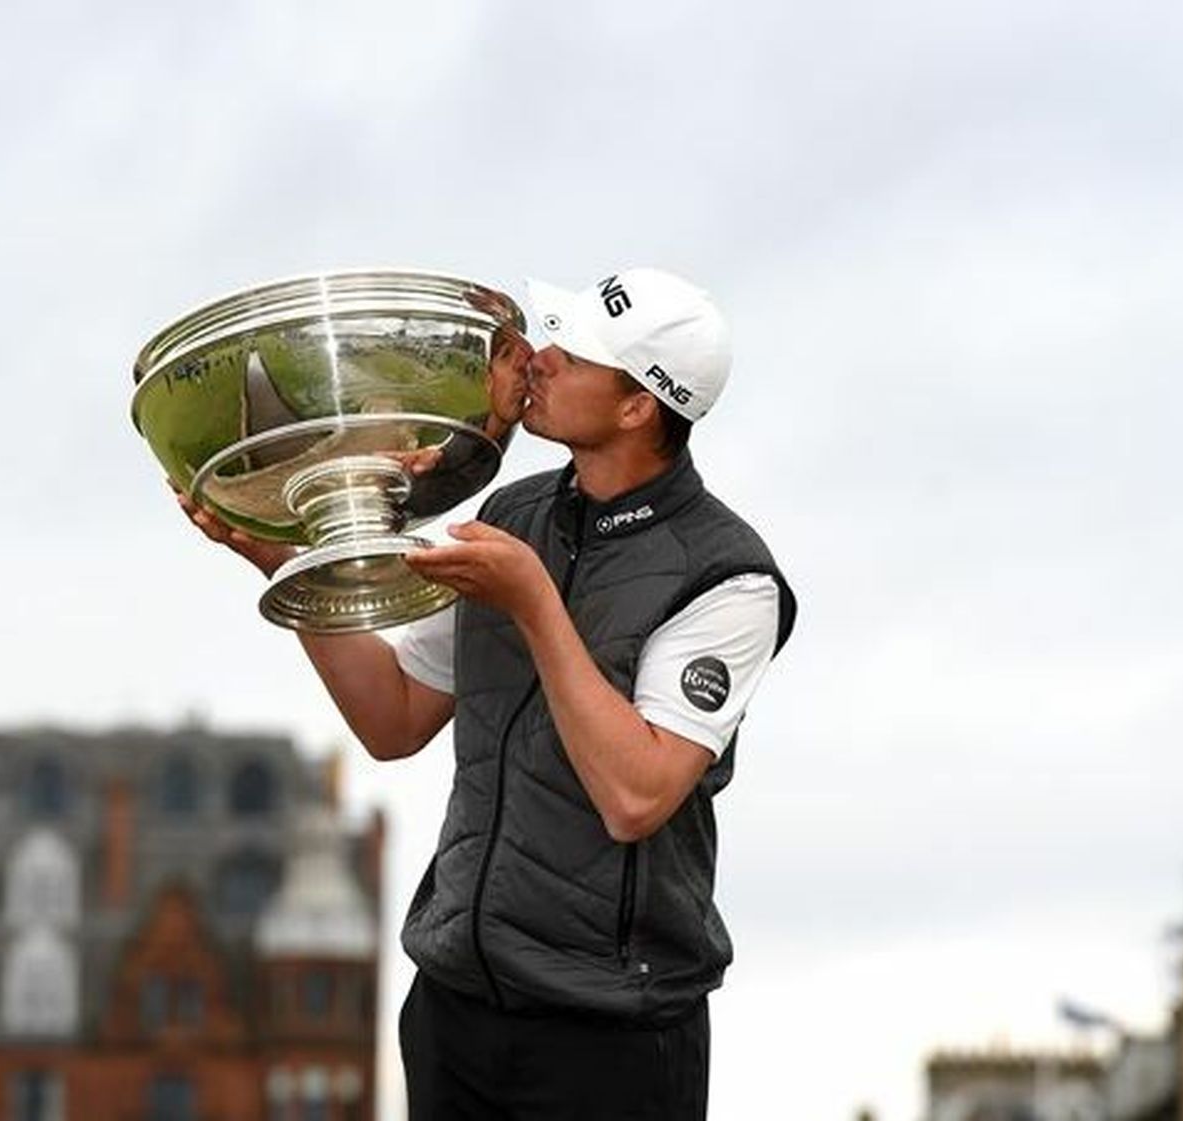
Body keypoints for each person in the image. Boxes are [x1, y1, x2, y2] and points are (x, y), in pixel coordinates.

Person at [175, 267, 796, 1121]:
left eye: (572, 355)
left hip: (612, 1036)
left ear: (636, 406)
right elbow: (391, 717)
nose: (537, 361)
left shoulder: (729, 577)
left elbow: (636, 794)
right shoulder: (514, 517)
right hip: (454, 1012)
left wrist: (534, 602)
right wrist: (282, 558)